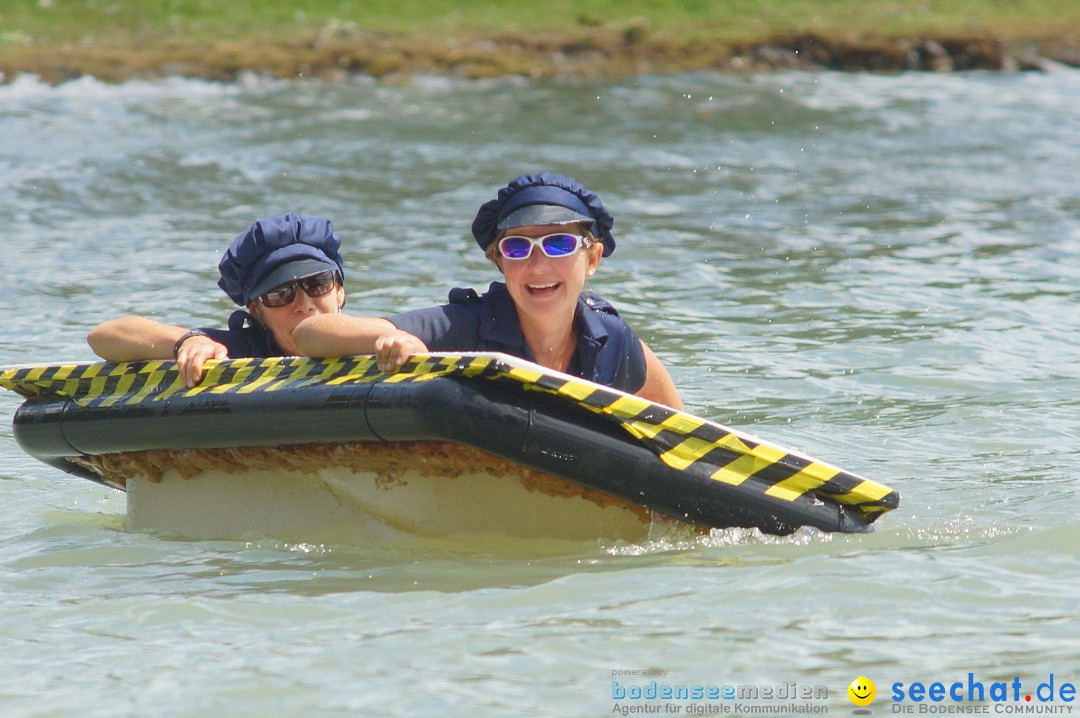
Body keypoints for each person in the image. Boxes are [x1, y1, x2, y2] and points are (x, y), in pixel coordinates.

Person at [292, 173, 683, 409]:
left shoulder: (614, 340)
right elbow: (310, 333)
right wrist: (391, 338)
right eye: (517, 248)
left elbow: (685, 429)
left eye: (559, 244)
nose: (538, 265)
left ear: (593, 257)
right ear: (499, 262)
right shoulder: (462, 328)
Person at [87, 212, 347, 387]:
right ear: (256, 311)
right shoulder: (235, 353)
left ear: (339, 291)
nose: (304, 304)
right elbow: (103, 336)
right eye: (280, 294)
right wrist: (187, 342)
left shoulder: (376, 340)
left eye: (317, 284)